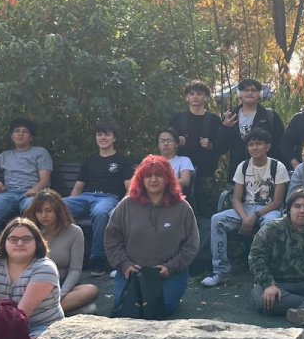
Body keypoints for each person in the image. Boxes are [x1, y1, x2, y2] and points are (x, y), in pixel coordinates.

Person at [104, 155, 199, 315]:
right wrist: (124, 265)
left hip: (169, 273)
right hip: (132, 272)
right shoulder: (126, 205)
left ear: (167, 178)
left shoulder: (182, 208)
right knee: (126, 308)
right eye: (148, 175)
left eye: (159, 175)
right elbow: (112, 239)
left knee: (161, 308)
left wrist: (171, 267)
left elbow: (191, 245)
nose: (153, 180)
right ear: (141, 179)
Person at [203, 127, 289, 287]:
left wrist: (254, 216)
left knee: (271, 224)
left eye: (259, 144)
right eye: (251, 144)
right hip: (245, 209)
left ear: (268, 146)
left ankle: (266, 272)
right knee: (217, 219)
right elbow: (236, 199)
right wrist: (245, 218)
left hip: (268, 210)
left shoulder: (278, 167)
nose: (254, 148)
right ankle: (220, 271)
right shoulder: (243, 166)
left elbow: (277, 201)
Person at [248, 190, 304, 326]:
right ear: (288, 209)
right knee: (264, 302)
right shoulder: (271, 228)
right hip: (277, 283)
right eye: (297, 206)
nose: (302, 210)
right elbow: (255, 257)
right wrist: (269, 284)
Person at [64, 122, 134, 274]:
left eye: (107, 134)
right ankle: (57, 255)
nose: (103, 138)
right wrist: (67, 208)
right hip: (85, 197)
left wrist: (121, 206)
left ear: (114, 138)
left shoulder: (123, 160)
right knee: (55, 207)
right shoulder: (90, 160)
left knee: (101, 213)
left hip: (108, 198)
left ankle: (97, 258)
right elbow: (78, 187)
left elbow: (130, 188)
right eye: (100, 134)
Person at [0, 118, 52, 234]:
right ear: (12, 136)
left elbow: (45, 180)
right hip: (8, 193)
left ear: (30, 137)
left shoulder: (40, 152)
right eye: (17, 131)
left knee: (34, 214)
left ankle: (36, 248)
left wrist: (35, 190)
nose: (20, 134)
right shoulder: (5, 155)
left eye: (25, 131)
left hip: (31, 194)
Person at [29, 189, 99, 314]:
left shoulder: (74, 232)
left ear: (58, 210)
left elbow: (75, 270)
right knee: (89, 309)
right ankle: (49, 312)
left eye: (48, 211)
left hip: (61, 285)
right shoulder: (30, 232)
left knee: (90, 290)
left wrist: (61, 294)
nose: (43, 215)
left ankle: (41, 312)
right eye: (39, 211)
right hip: (33, 286)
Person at [169, 80, 221, 216]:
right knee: (180, 211)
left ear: (206, 96)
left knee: (206, 213)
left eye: (199, 93)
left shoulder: (214, 119)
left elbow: (222, 144)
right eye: (191, 94)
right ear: (187, 97)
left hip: (206, 172)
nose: (195, 97)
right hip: (181, 173)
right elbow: (165, 141)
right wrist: (175, 142)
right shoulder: (178, 118)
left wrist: (211, 145)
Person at [216, 77, 286, 177]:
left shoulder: (270, 116)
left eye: (254, 90)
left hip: (266, 173)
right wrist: (225, 128)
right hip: (237, 173)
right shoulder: (230, 117)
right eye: (246, 90)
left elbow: (280, 145)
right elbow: (220, 149)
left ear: (260, 94)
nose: (250, 93)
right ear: (240, 94)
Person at [156, 127, 194, 193]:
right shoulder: (152, 162)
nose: (165, 144)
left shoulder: (184, 160)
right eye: (162, 141)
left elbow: (185, 181)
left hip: (175, 197)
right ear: (158, 145)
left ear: (176, 144)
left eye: (169, 141)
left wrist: (159, 183)